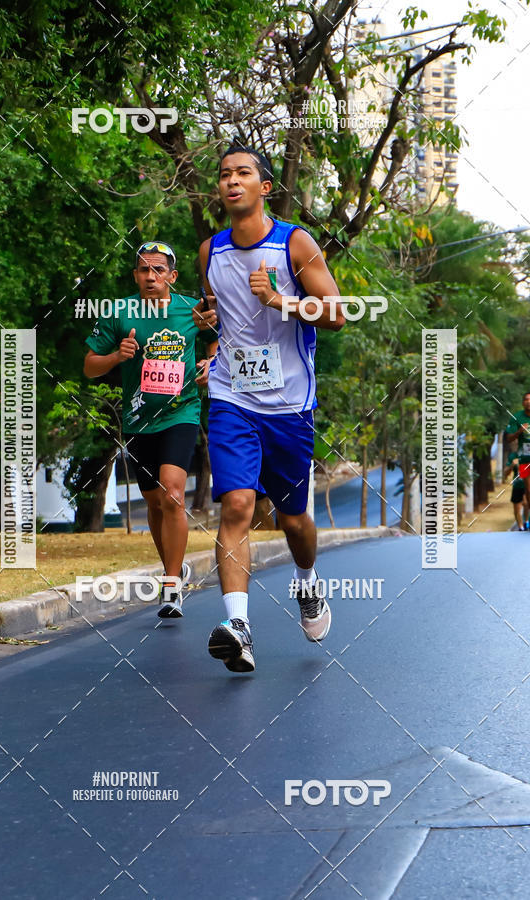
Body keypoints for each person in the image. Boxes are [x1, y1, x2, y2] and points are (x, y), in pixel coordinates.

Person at [193, 144, 345, 673]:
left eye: (243, 173)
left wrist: (282, 300)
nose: (232, 181)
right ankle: (239, 626)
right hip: (233, 396)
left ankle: (307, 585)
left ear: (264, 187)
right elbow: (221, 316)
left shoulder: (295, 244)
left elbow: (336, 313)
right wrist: (210, 342)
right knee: (235, 506)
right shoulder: (210, 252)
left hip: (288, 404)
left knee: (292, 517)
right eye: (224, 175)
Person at [84, 240, 217, 618]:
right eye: (144, 269)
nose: (151, 276)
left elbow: (214, 344)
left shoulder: (192, 311)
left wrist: (209, 365)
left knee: (173, 495)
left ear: (172, 277)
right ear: (135, 276)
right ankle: (170, 569)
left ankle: (172, 585)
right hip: (139, 418)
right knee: (156, 503)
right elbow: (89, 365)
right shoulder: (119, 312)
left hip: (182, 412)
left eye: (159, 270)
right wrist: (115, 357)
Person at [506, 392, 530, 514]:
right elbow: (509, 438)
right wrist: (519, 431)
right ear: (523, 403)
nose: (528, 402)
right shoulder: (516, 417)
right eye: (526, 400)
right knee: (528, 489)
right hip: (525, 459)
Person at [504, 449, 529, 531]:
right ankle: (521, 527)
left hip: (527, 485)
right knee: (517, 508)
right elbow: (505, 473)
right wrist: (512, 465)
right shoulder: (513, 455)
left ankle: (526, 522)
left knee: (526, 503)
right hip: (517, 485)